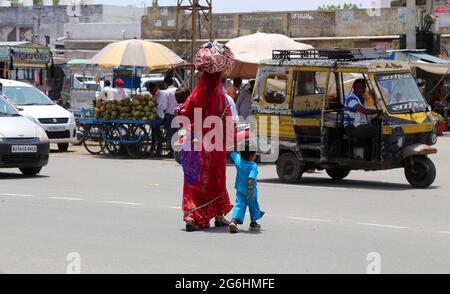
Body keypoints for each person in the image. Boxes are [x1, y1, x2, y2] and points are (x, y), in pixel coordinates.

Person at [176, 41, 235, 231]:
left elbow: (184, 113)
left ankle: (192, 216)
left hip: (195, 143)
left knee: (193, 181)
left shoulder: (195, 95)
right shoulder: (223, 98)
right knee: (216, 180)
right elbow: (227, 123)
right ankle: (218, 215)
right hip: (215, 146)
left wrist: (179, 110)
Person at [228, 146, 264, 234]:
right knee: (253, 206)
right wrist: (250, 188)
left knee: (239, 205)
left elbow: (231, 152)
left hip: (240, 190)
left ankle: (233, 221)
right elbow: (251, 178)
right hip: (250, 192)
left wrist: (234, 147)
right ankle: (253, 223)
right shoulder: (253, 166)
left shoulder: (238, 160)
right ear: (252, 156)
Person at [344, 79, 381, 159]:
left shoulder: (362, 99)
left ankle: (369, 155)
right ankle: (376, 156)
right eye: (360, 87)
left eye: (364, 87)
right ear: (354, 87)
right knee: (378, 129)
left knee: (379, 125)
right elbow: (363, 111)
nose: (363, 89)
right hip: (352, 127)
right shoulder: (351, 98)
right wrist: (378, 112)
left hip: (359, 126)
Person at [161, 74, 179, 157]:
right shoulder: (177, 90)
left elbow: (164, 105)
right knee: (178, 133)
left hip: (170, 115)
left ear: (166, 83)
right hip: (178, 114)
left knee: (171, 134)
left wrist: (162, 110)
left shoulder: (166, 92)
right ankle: (178, 151)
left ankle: (172, 152)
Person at [147, 82, 167, 156]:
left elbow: (162, 106)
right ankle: (153, 149)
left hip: (160, 116)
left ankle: (158, 150)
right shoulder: (156, 94)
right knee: (154, 134)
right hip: (156, 117)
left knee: (157, 135)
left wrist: (155, 105)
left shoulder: (160, 94)